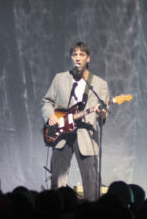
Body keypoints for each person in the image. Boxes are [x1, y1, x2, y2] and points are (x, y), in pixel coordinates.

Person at [41, 41, 109, 202]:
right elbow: (46, 101)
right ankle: (56, 211)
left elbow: (103, 114)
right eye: (75, 55)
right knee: (57, 178)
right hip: (61, 134)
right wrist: (50, 115)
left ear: (88, 58)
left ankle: (93, 212)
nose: (78, 58)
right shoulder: (60, 78)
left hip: (85, 135)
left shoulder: (99, 84)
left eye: (82, 55)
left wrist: (102, 113)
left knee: (91, 179)